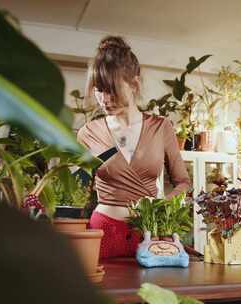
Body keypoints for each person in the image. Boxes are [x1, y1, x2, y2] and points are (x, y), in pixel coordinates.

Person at [77, 36, 191, 258]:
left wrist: (159, 209)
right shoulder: (89, 132)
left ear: (134, 84)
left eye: (112, 90)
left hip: (147, 234)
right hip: (102, 233)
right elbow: (76, 192)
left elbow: (183, 183)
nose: (104, 99)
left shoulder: (161, 127)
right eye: (99, 90)